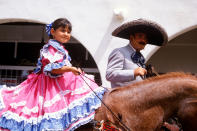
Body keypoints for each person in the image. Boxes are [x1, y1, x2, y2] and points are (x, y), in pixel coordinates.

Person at [0, 18, 105, 131]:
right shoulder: (50, 48)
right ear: (53, 32)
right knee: (45, 112)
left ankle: (90, 124)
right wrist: (70, 68)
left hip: (58, 81)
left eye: (68, 32)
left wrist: (71, 70)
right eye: (63, 30)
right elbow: (51, 69)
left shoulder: (59, 48)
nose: (66, 34)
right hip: (48, 85)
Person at [106, 18, 168, 88]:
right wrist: (133, 72)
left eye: (146, 38)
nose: (143, 40)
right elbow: (110, 74)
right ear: (132, 38)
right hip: (121, 97)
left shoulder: (141, 57)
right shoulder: (119, 52)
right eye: (140, 36)